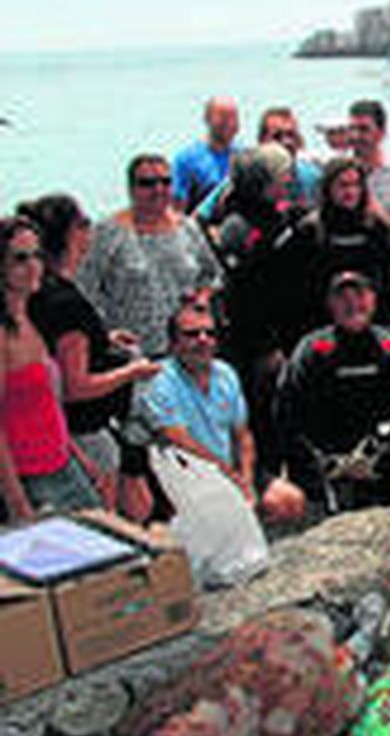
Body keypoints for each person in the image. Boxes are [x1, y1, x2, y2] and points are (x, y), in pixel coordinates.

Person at [22, 195, 161, 518]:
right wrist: (132, 371)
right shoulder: (67, 304)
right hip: (86, 430)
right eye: (84, 224)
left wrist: (102, 341)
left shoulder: (39, 293)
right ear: (71, 235)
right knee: (103, 516)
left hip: (59, 427)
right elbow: (76, 385)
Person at [279, 271, 390, 511]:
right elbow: (290, 405)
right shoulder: (313, 349)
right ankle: (337, 484)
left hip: (380, 443)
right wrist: (320, 454)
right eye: (343, 298)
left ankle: (383, 482)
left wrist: (388, 433)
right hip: (332, 447)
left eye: (359, 295)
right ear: (330, 305)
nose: (352, 304)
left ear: (373, 301)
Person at [139, 301, 304, 523]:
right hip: (187, 476)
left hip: (229, 471)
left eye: (210, 333)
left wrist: (245, 478)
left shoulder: (226, 373)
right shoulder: (158, 380)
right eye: (192, 334)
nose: (203, 340)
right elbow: (179, 441)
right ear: (173, 344)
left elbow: (243, 434)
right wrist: (229, 476)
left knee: (291, 502)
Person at [213, 145, 319, 481]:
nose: (289, 180)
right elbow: (242, 298)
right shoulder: (239, 227)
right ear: (263, 181)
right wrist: (266, 346)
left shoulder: (277, 215)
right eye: (281, 175)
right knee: (261, 415)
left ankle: (295, 476)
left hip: (288, 328)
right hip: (256, 342)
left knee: (291, 410)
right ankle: (264, 478)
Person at [0, 217, 104, 521]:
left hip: (62, 463)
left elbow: (46, 403)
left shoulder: (32, 318)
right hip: (30, 477)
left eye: (37, 255)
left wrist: (75, 453)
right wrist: (17, 500)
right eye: (20, 258)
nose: (33, 266)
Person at [78, 153, 223, 356]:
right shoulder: (107, 232)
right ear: (131, 189)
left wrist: (201, 299)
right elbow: (85, 290)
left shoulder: (187, 228)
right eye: (147, 183)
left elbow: (212, 276)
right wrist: (105, 334)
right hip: (130, 355)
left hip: (184, 352)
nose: (158, 190)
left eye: (165, 182)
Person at [303, 157, 390, 327]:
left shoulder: (378, 227)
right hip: (324, 318)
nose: (350, 192)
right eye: (343, 185)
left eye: (356, 185)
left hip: (373, 317)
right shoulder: (312, 229)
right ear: (329, 189)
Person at [194, 107, 321, 225]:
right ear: (262, 141)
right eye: (277, 136)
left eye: (291, 135)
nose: (287, 142)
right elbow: (199, 218)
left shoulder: (314, 177)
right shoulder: (242, 180)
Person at [347, 99, 390, 226]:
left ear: (381, 133)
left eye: (363, 129)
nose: (355, 136)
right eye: (352, 129)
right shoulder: (337, 173)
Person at [171, 96, 239, 213]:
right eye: (222, 117)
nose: (228, 123)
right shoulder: (187, 160)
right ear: (207, 119)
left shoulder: (244, 157)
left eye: (232, 117)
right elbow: (178, 207)